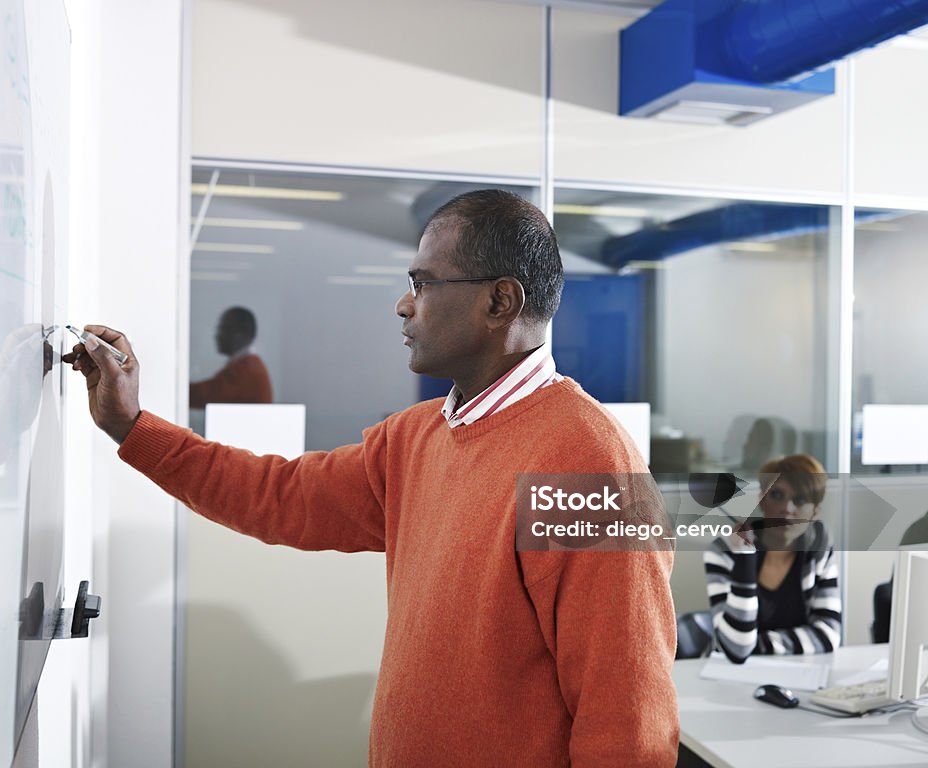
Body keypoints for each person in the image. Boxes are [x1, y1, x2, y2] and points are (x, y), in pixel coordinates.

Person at [64, 189, 678, 766]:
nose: (404, 303)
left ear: (500, 302)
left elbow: (629, 721)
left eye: (423, 283)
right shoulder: (414, 438)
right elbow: (276, 497)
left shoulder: (591, 466)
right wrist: (131, 426)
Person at [704, 454, 842, 663]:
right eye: (777, 495)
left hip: (800, 671)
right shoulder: (723, 551)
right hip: (728, 675)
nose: (787, 508)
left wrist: (757, 646)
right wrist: (744, 559)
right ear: (761, 500)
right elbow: (736, 648)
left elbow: (828, 634)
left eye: (800, 499)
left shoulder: (819, 546)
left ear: (815, 511)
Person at [189, 306, 272, 407]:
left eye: (223, 329)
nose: (217, 336)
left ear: (240, 333)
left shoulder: (247, 369)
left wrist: (175, 385)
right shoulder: (248, 365)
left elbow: (208, 395)